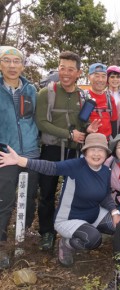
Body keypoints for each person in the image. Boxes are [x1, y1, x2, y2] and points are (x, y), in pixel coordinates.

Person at [0, 133, 120, 267]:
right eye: (92, 149)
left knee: (119, 226)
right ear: (85, 152)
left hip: (94, 214)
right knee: (93, 240)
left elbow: (105, 195)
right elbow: (51, 167)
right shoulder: (76, 166)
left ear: (106, 154)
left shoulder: (105, 171)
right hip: (69, 218)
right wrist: (21, 161)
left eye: (100, 150)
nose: (96, 154)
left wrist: (114, 212)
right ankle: (66, 244)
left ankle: (88, 232)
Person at [36, 51, 100, 251]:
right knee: (46, 192)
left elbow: (82, 121)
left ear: (78, 72)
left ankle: (71, 229)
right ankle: (47, 233)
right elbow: (41, 122)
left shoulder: (82, 95)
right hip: (51, 150)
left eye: (70, 69)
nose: (65, 72)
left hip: (74, 152)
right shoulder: (47, 92)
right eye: (62, 67)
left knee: (72, 194)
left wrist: (87, 129)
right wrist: (69, 134)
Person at [0, 46, 39, 269]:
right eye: (7, 60)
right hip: (5, 154)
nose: (12, 66)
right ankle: (2, 246)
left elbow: (35, 119)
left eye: (17, 61)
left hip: (30, 153)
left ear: (23, 65)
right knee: (4, 200)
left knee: (29, 197)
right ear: (0, 64)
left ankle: (21, 240)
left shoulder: (30, 90)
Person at [88, 62, 118, 140]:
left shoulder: (109, 98)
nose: (100, 80)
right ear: (89, 77)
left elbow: (114, 122)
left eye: (103, 76)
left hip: (106, 142)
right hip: (88, 142)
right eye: (96, 76)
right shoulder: (83, 97)